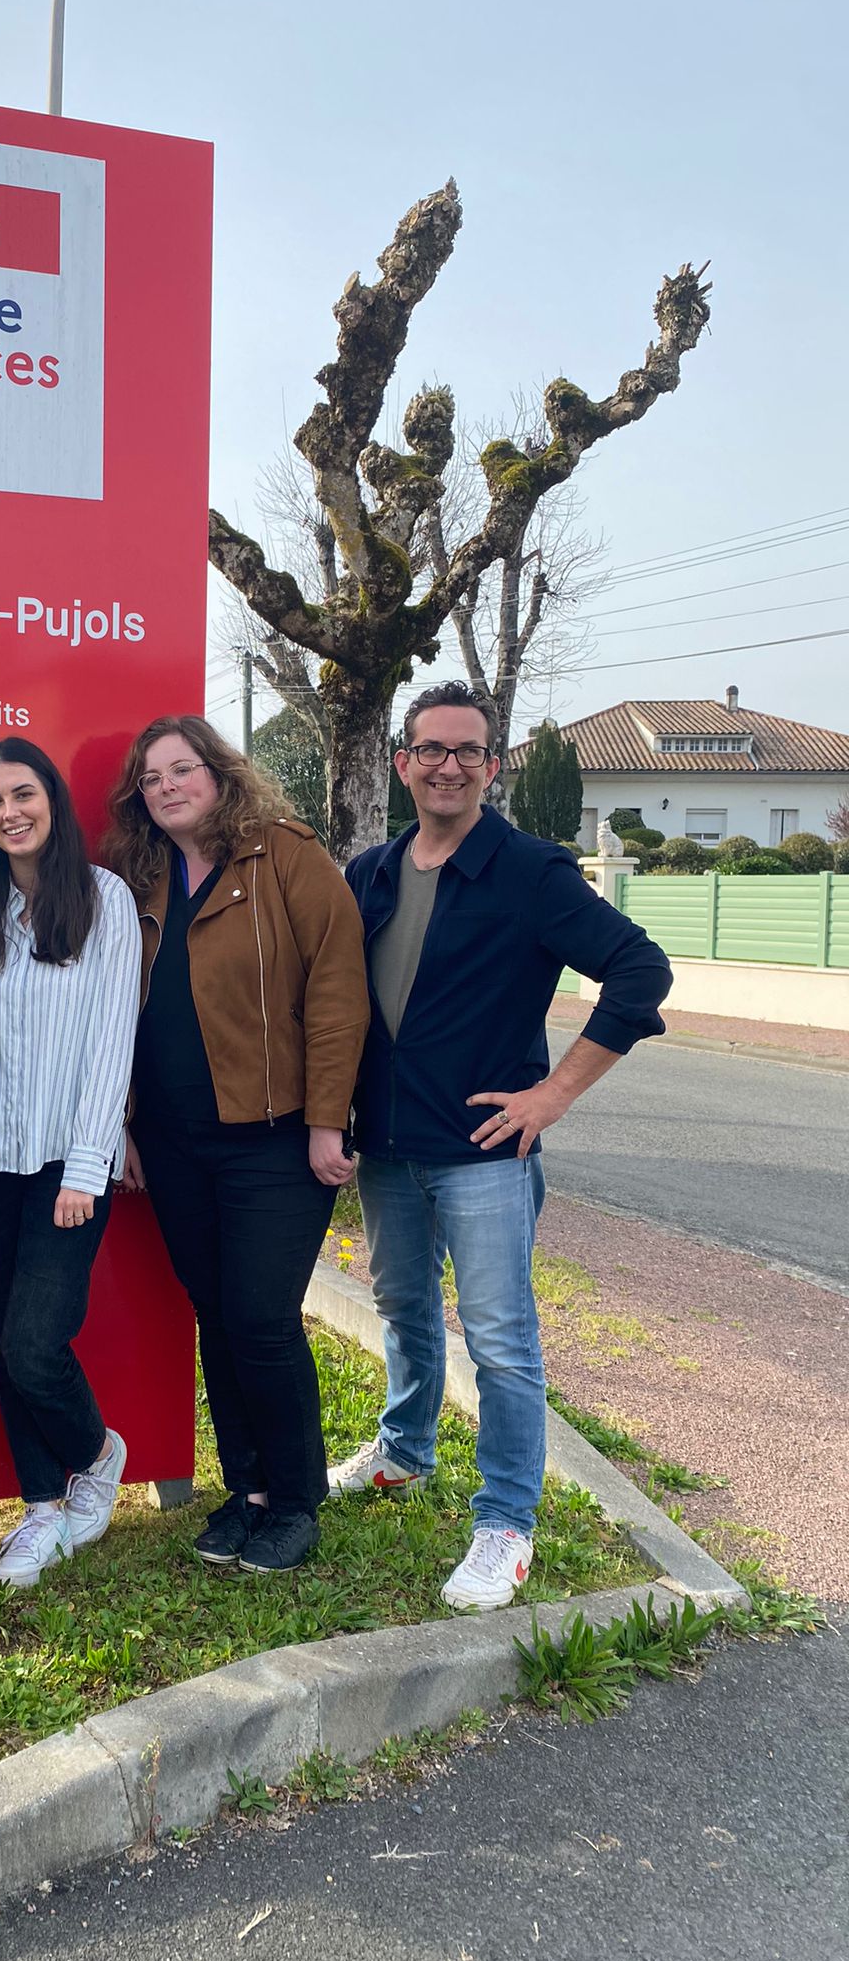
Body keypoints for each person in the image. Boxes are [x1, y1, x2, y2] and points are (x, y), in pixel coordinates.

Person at [326, 681, 673, 1610]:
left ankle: (507, 1522)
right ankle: (405, 1450)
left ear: (490, 766)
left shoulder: (531, 872)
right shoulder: (371, 872)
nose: (448, 766)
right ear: (402, 763)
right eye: (431, 750)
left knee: (502, 1342)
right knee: (403, 1308)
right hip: (388, 1147)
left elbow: (641, 970)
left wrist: (553, 1094)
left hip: (483, 1153)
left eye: (468, 751)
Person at [105, 715, 369, 1575]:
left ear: (220, 774)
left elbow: (337, 988)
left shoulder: (285, 853)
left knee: (261, 1318)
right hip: (173, 1141)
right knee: (216, 1315)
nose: (168, 788)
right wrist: (125, 1123)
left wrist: (328, 1118)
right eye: (151, 779)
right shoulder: (140, 878)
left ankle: (294, 1501)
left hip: (276, 1139)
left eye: (183, 769)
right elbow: (113, 1010)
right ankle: (247, 1489)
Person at [0, 738, 140, 1587]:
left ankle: (96, 1457)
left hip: (69, 1163)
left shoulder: (104, 899)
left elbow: (112, 1041)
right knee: (1, 1344)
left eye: (22, 793)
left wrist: (87, 1167)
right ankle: (41, 1506)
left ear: (52, 801)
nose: (10, 812)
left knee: (34, 1344)